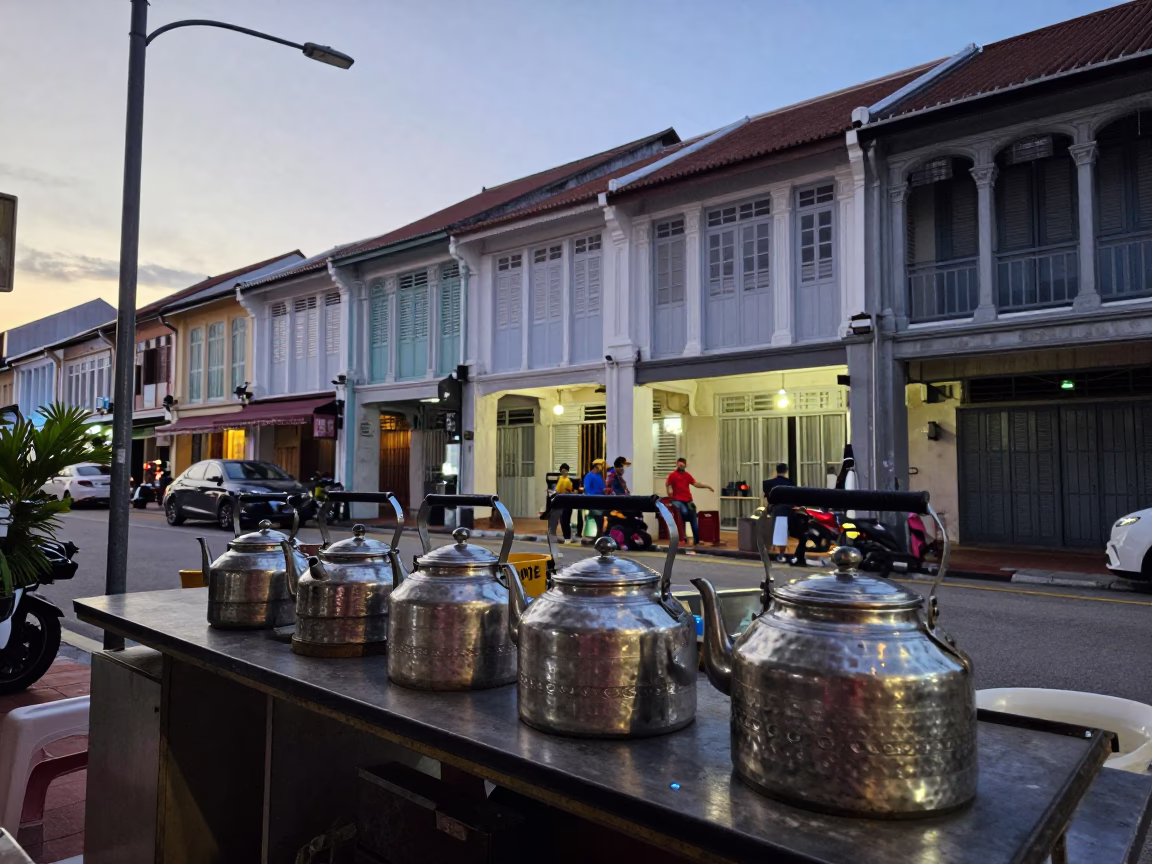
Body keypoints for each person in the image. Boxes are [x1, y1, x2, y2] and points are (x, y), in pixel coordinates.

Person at [664, 457, 713, 553]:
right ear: (677, 464)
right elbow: (668, 485)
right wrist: (669, 491)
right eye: (679, 464)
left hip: (688, 500)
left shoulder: (687, 475)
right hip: (677, 500)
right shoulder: (673, 475)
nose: (681, 466)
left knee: (693, 518)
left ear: (685, 465)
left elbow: (695, 483)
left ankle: (697, 541)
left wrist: (707, 486)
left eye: (682, 465)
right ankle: (682, 537)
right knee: (683, 512)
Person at [763, 463, 805, 566]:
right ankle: (781, 555)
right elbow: (795, 497)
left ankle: (768, 553)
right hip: (787, 510)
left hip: (775, 510)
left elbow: (766, 496)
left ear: (776, 471)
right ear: (786, 471)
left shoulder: (769, 483)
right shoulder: (789, 483)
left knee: (773, 532)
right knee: (782, 533)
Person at [582, 459, 607, 538]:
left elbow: (603, 486)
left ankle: (598, 535)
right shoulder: (589, 476)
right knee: (597, 518)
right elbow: (588, 488)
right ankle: (595, 535)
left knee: (600, 518)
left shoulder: (599, 476)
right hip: (593, 499)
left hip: (600, 499)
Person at [554, 463, 575, 541]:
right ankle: (566, 536)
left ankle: (567, 537)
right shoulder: (560, 479)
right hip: (563, 502)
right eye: (563, 471)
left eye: (565, 471)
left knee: (565, 520)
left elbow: (570, 490)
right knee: (563, 520)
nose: (564, 472)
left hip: (566, 502)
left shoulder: (568, 480)